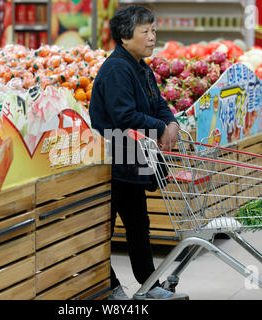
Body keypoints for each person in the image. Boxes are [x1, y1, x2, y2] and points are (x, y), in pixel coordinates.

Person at [89, 5, 188, 300]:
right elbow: (124, 116)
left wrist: (169, 122)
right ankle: (109, 286)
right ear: (124, 36)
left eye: (153, 30)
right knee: (104, 230)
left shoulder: (140, 66)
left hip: (133, 161)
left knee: (138, 225)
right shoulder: (118, 68)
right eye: (145, 31)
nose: (152, 36)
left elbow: (157, 103)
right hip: (114, 161)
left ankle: (149, 286)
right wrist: (160, 126)